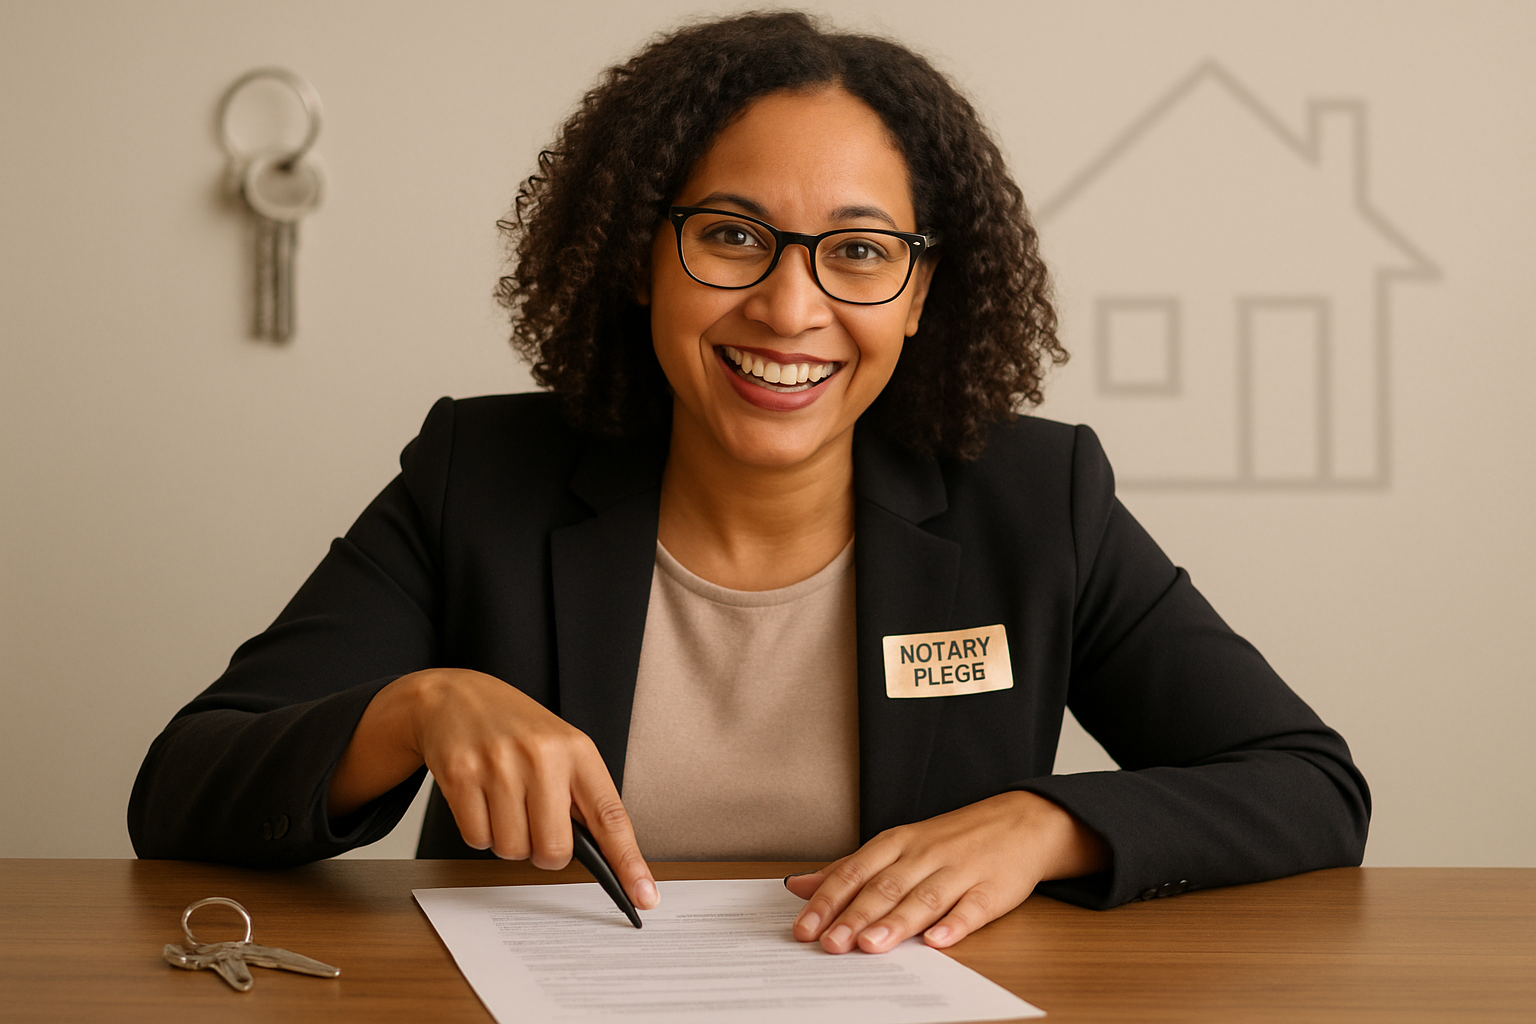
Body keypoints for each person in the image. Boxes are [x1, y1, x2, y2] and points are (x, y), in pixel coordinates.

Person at [129, 11, 1369, 956]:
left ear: (920, 293)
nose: (791, 306)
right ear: (641, 257)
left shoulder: (1036, 499)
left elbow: (1307, 782)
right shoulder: (482, 477)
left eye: (860, 252)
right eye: (730, 234)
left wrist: (1051, 823)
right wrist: (408, 711)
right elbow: (184, 785)